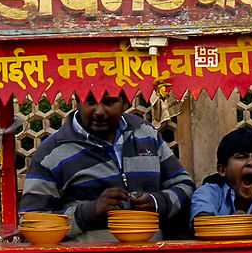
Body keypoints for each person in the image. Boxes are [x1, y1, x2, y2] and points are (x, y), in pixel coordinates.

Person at [19, 90, 195, 240]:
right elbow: (30, 222)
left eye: (109, 102)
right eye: (90, 101)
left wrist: (158, 202)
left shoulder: (145, 134)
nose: (99, 111)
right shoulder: (52, 151)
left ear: (126, 102)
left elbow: (185, 185)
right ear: (77, 101)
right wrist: (89, 212)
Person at [190, 125, 252, 227]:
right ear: (222, 170)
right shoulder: (208, 192)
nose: (251, 163)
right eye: (241, 157)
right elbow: (203, 224)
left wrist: (243, 223)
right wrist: (236, 223)